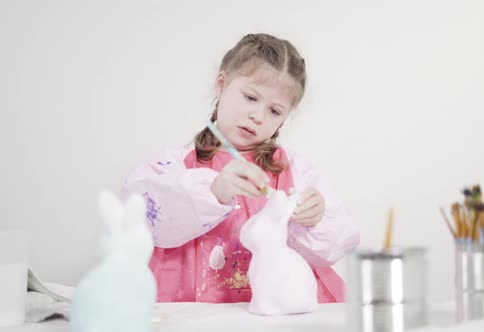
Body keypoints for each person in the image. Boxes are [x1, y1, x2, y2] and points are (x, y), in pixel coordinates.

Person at [121, 33, 359, 303]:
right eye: (250, 97)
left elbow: (336, 245)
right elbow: (141, 220)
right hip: (193, 312)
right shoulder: (175, 165)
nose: (258, 116)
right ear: (221, 85)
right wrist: (212, 192)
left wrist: (316, 218)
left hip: (277, 312)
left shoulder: (294, 170)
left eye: (274, 111)